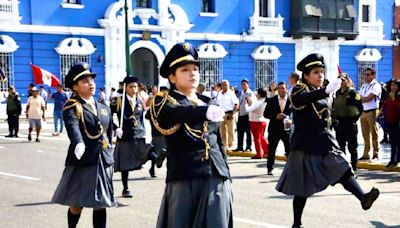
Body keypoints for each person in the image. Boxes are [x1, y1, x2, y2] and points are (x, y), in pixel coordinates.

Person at [276, 53, 380, 228]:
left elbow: (323, 113)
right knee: (301, 188)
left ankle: (363, 197)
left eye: (322, 72)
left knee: (343, 168)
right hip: (305, 144)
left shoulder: (321, 91)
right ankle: (296, 224)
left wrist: (334, 118)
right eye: (316, 72)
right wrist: (325, 91)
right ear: (306, 75)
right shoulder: (299, 89)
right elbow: (301, 101)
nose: (320, 75)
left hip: (324, 140)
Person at [149, 42, 233, 228]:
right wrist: (203, 113)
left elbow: (217, 141)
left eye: (195, 68)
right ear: (172, 77)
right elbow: (173, 113)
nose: (192, 73)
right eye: (185, 70)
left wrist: (226, 171)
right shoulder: (163, 101)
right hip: (186, 174)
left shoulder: (206, 101)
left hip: (215, 172)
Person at [51, 62, 115, 228]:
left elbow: (108, 130)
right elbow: (72, 125)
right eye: (85, 81)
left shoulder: (103, 107)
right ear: (75, 86)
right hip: (83, 160)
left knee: (101, 202)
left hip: (103, 159)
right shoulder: (72, 106)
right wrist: (78, 142)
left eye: (91, 79)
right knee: (77, 203)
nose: (91, 83)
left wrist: (114, 140)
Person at [113, 76, 158, 198]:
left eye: (135, 86)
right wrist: (116, 128)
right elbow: (107, 117)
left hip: (139, 134)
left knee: (152, 153)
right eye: (131, 87)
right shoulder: (118, 101)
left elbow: (142, 117)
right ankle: (125, 188)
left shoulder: (139, 101)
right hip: (125, 136)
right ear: (125, 88)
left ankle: (154, 166)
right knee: (125, 165)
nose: (133, 89)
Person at [332, 73, 363, 171]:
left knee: (352, 147)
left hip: (350, 122)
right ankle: (343, 168)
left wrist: (354, 120)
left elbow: (360, 108)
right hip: (339, 123)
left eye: (343, 80)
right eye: (339, 80)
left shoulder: (353, 93)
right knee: (340, 147)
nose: (341, 82)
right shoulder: (336, 93)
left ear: (347, 81)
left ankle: (354, 168)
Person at [263, 82, 292, 175]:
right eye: (279, 88)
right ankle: (270, 168)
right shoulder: (272, 100)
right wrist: (275, 116)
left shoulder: (291, 101)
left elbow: (297, 113)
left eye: (283, 88)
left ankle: (290, 168)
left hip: (287, 129)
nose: (281, 90)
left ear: (286, 89)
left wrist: (291, 120)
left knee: (289, 149)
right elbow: (265, 114)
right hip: (274, 129)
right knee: (272, 149)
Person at [359, 67, 381, 160]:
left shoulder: (376, 85)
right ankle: (366, 153)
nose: (366, 76)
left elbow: (369, 98)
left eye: (368, 74)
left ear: (373, 75)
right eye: (365, 74)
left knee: (374, 133)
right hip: (363, 111)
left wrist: (361, 99)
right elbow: (358, 97)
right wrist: (361, 99)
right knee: (365, 134)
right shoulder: (364, 86)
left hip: (372, 111)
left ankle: (376, 153)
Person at [379, 79, 400, 168]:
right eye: (392, 85)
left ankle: (396, 159)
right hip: (389, 121)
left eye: (395, 85)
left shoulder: (398, 96)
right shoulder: (388, 95)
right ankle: (392, 160)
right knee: (392, 142)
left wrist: (394, 99)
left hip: (397, 122)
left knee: (398, 142)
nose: (393, 87)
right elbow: (385, 106)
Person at [245, 87, 268, 159]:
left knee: (257, 138)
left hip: (256, 121)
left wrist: (246, 104)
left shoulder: (259, 102)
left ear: (260, 94)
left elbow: (249, 109)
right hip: (260, 121)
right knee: (261, 137)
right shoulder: (263, 101)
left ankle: (259, 153)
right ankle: (267, 150)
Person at [233, 78, 256, 152]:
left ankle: (248, 147)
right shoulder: (241, 93)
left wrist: (249, 101)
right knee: (240, 132)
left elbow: (252, 104)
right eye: (242, 84)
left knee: (248, 132)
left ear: (248, 85)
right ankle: (240, 146)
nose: (243, 86)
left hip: (247, 115)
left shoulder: (250, 93)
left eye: (244, 84)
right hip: (241, 114)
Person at [216, 79, 239, 149]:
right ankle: (223, 145)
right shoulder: (219, 93)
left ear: (228, 86)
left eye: (225, 84)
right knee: (222, 131)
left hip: (229, 114)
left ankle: (230, 145)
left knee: (230, 131)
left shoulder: (231, 93)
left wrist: (233, 113)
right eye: (223, 84)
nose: (224, 86)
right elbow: (217, 104)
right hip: (221, 114)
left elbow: (236, 104)